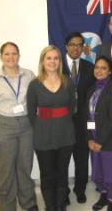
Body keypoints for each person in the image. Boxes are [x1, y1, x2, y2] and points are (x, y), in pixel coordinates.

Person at [27, 45, 75, 211]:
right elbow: (31, 112)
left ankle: (60, 205)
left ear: (59, 61)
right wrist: (42, 127)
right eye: (49, 58)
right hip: (43, 136)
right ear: (42, 61)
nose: (52, 61)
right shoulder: (34, 84)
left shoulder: (67, 82)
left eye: (56, 58)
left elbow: (72, 108)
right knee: (47, 174)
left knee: (62, 173)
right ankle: (50, 206)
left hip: (65, 135)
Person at [0, 42, 38, 211]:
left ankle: (28, 201)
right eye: (7, 54)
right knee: (5, 169)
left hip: (26, 125)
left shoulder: (29, 75)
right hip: (4, 126)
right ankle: (7, 205)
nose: (11, 57)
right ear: (1, 56)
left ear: (19, 55)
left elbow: (35, 102)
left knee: (25, 165)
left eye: (14, 53)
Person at [87, 56, 112, 211]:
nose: (99, 70)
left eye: (103, 68)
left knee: (111, 175)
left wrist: (100, 141)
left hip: (110, 141)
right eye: (97, 67)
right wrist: (89, 139)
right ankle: (103, 195)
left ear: (110, 71)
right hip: (94, 139)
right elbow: (87, 116)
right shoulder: (91, 89)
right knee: (97, 173)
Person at [63, 32, 95, 203]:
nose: (76, 48)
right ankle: (63, 191)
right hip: (62, 122)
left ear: (83, 47)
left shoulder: (90, 67)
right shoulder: (57, 66)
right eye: (72, 44)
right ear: (66, 46)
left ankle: (80, 189)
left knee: (82, 158)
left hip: (83, 122)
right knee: (62, 160)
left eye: (79, 45)